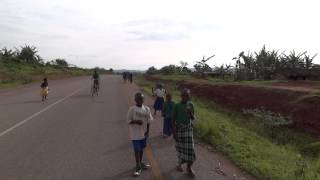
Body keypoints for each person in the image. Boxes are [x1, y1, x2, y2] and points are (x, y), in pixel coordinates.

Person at [127, 92, 153, 176]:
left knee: (141, 149)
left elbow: (149, 121)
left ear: (143, 100)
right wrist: (136, 121)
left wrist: (148, 131)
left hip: (143, 133)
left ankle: (140, 163)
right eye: (138, 99)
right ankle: (138, 167)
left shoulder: (147, 109)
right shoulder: (132, 109)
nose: (139, 100)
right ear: (135, 100)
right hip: (135, 134)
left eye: (141, 99)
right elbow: (128, 120)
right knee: (137, 150)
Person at [172, 89, 196, 177]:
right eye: (183, 95)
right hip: (179, 130)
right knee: (180, 149)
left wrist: (190, 113)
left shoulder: (191, 105)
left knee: (191, 150)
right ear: (181, 96)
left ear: (189, 96)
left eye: (187, 95)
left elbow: (193, 119)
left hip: (188, 130)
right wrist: (174, 132)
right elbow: (173, 119)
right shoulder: (177, 105)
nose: (185, 97)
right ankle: (179, 164)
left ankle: (189, 168)